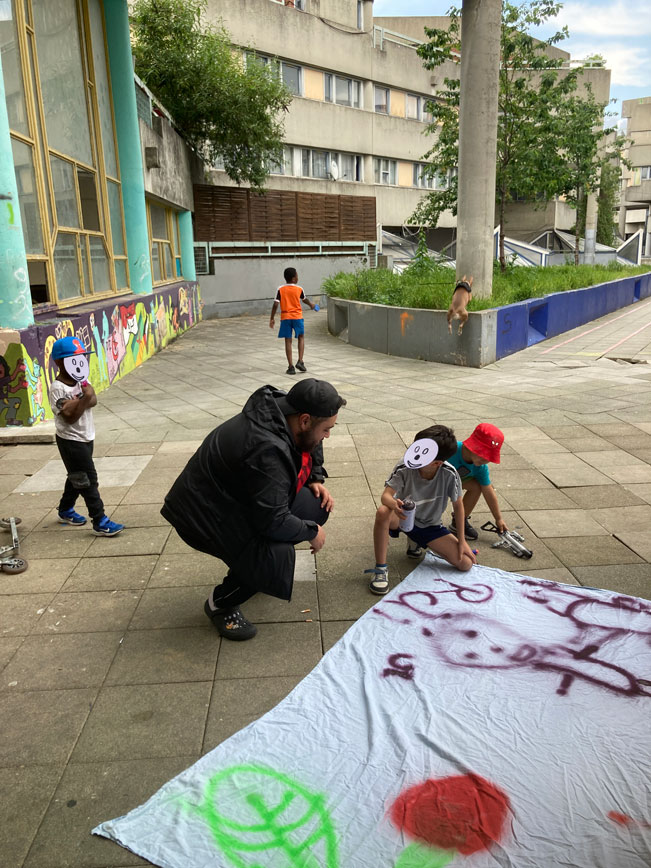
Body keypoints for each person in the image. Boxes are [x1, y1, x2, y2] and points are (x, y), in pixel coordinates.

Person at [161, 378, 345, 641]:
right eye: (326, 429)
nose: (327, 435)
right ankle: (220, 603)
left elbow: (313, 440)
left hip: (234, 499)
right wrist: (310, 531)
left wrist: (315, 476)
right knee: (274, 559)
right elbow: (273, 520)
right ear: (304, 420)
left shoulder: (285, 409)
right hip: (203, 514)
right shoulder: (267, 450)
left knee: (316, 505)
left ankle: (249, 568)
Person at [365, 425, 476, 595]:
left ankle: (414, 540)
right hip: (403, 516)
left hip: (430, 525)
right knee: (382, 512)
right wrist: (395, 505)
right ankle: (380, 568)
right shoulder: (404, 466)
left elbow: (459, 507)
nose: (414, 455)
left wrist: (462, 541)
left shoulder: (449, 473)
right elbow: (385, 496)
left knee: (466, 563)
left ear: (437, 463)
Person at [49, 336, 124, 537]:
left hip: (86, 436)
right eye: (73, 359)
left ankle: (65, 509)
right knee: (89, 480)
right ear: (59, 362)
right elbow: (70, 417)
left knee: (77, 475)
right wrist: (83, 398)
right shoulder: (58, 388)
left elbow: (93, 400)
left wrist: (79, 401)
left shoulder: (81, 380)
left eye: (81, 358)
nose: (79, 363)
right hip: (70, 440)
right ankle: (100, 520)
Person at [446, 423, 507, 540]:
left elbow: (488, 491)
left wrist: (498, 518)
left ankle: (459, 521)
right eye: (482, 454)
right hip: (434, 482)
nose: (485, 459)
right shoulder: (451, 449)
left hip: (453, 483)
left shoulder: (480, 467)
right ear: (471, 446)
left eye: (489, 457)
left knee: (477, 486)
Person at [269, 267, 318, 375]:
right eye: (297, 275)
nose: (298, 277)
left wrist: (272, 318)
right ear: (294, 278)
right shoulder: (299, 289)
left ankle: (291, 367)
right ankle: (300, 361)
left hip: (285, 318)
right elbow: (304, 299)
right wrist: (311, 305)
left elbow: (275, 304)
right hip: (297, 317)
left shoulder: (280, 289)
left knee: (288, 340)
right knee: (301, 337)